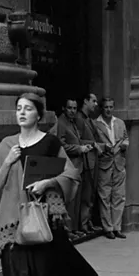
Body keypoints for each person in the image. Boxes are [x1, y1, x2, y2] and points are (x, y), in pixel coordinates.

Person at [0, 93, 99, 276]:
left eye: (28, 109)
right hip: (12, 221)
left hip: (44, 218)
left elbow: (71, 173)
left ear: (39, 115)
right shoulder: (6, 144)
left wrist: (47, 183)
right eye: (18, 108)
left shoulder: (50, 143)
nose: (22, 113)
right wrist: (8, 161)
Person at [49, 99, 94, 240]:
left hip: (79, 165)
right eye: (70, 108)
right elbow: (61, 145)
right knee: (70, 201)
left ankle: (74, 229)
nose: (73, 111)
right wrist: (79, 149)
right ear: (64, 108)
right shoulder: (61, 123)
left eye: (75, 108)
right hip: (69, 165)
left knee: (77, 201)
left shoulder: (74, 122)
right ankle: (68, 230)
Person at [92, 97, 129, 239]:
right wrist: (102, 148)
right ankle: (107, 228)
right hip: (104, 162)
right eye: (106, 107)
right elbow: (93, 142)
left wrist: (125, 144)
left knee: (119, 195)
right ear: (102, 108)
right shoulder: (95, 124)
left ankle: (117, 227)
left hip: (119, 162)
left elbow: (126, 138)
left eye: (111, 107)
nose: (108, 109)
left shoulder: (120, 123)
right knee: (104, 196)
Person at [77, 93, 103, 235]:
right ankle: (84, 224)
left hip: (93, 159)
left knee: (91, 193)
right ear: (86, 101)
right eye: (93, 101)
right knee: (86, 194)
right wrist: (93, 144)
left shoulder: (89, 119)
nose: (95, 104)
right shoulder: (79, 119)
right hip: (86, 160)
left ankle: (88, 221)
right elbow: (77, 139)